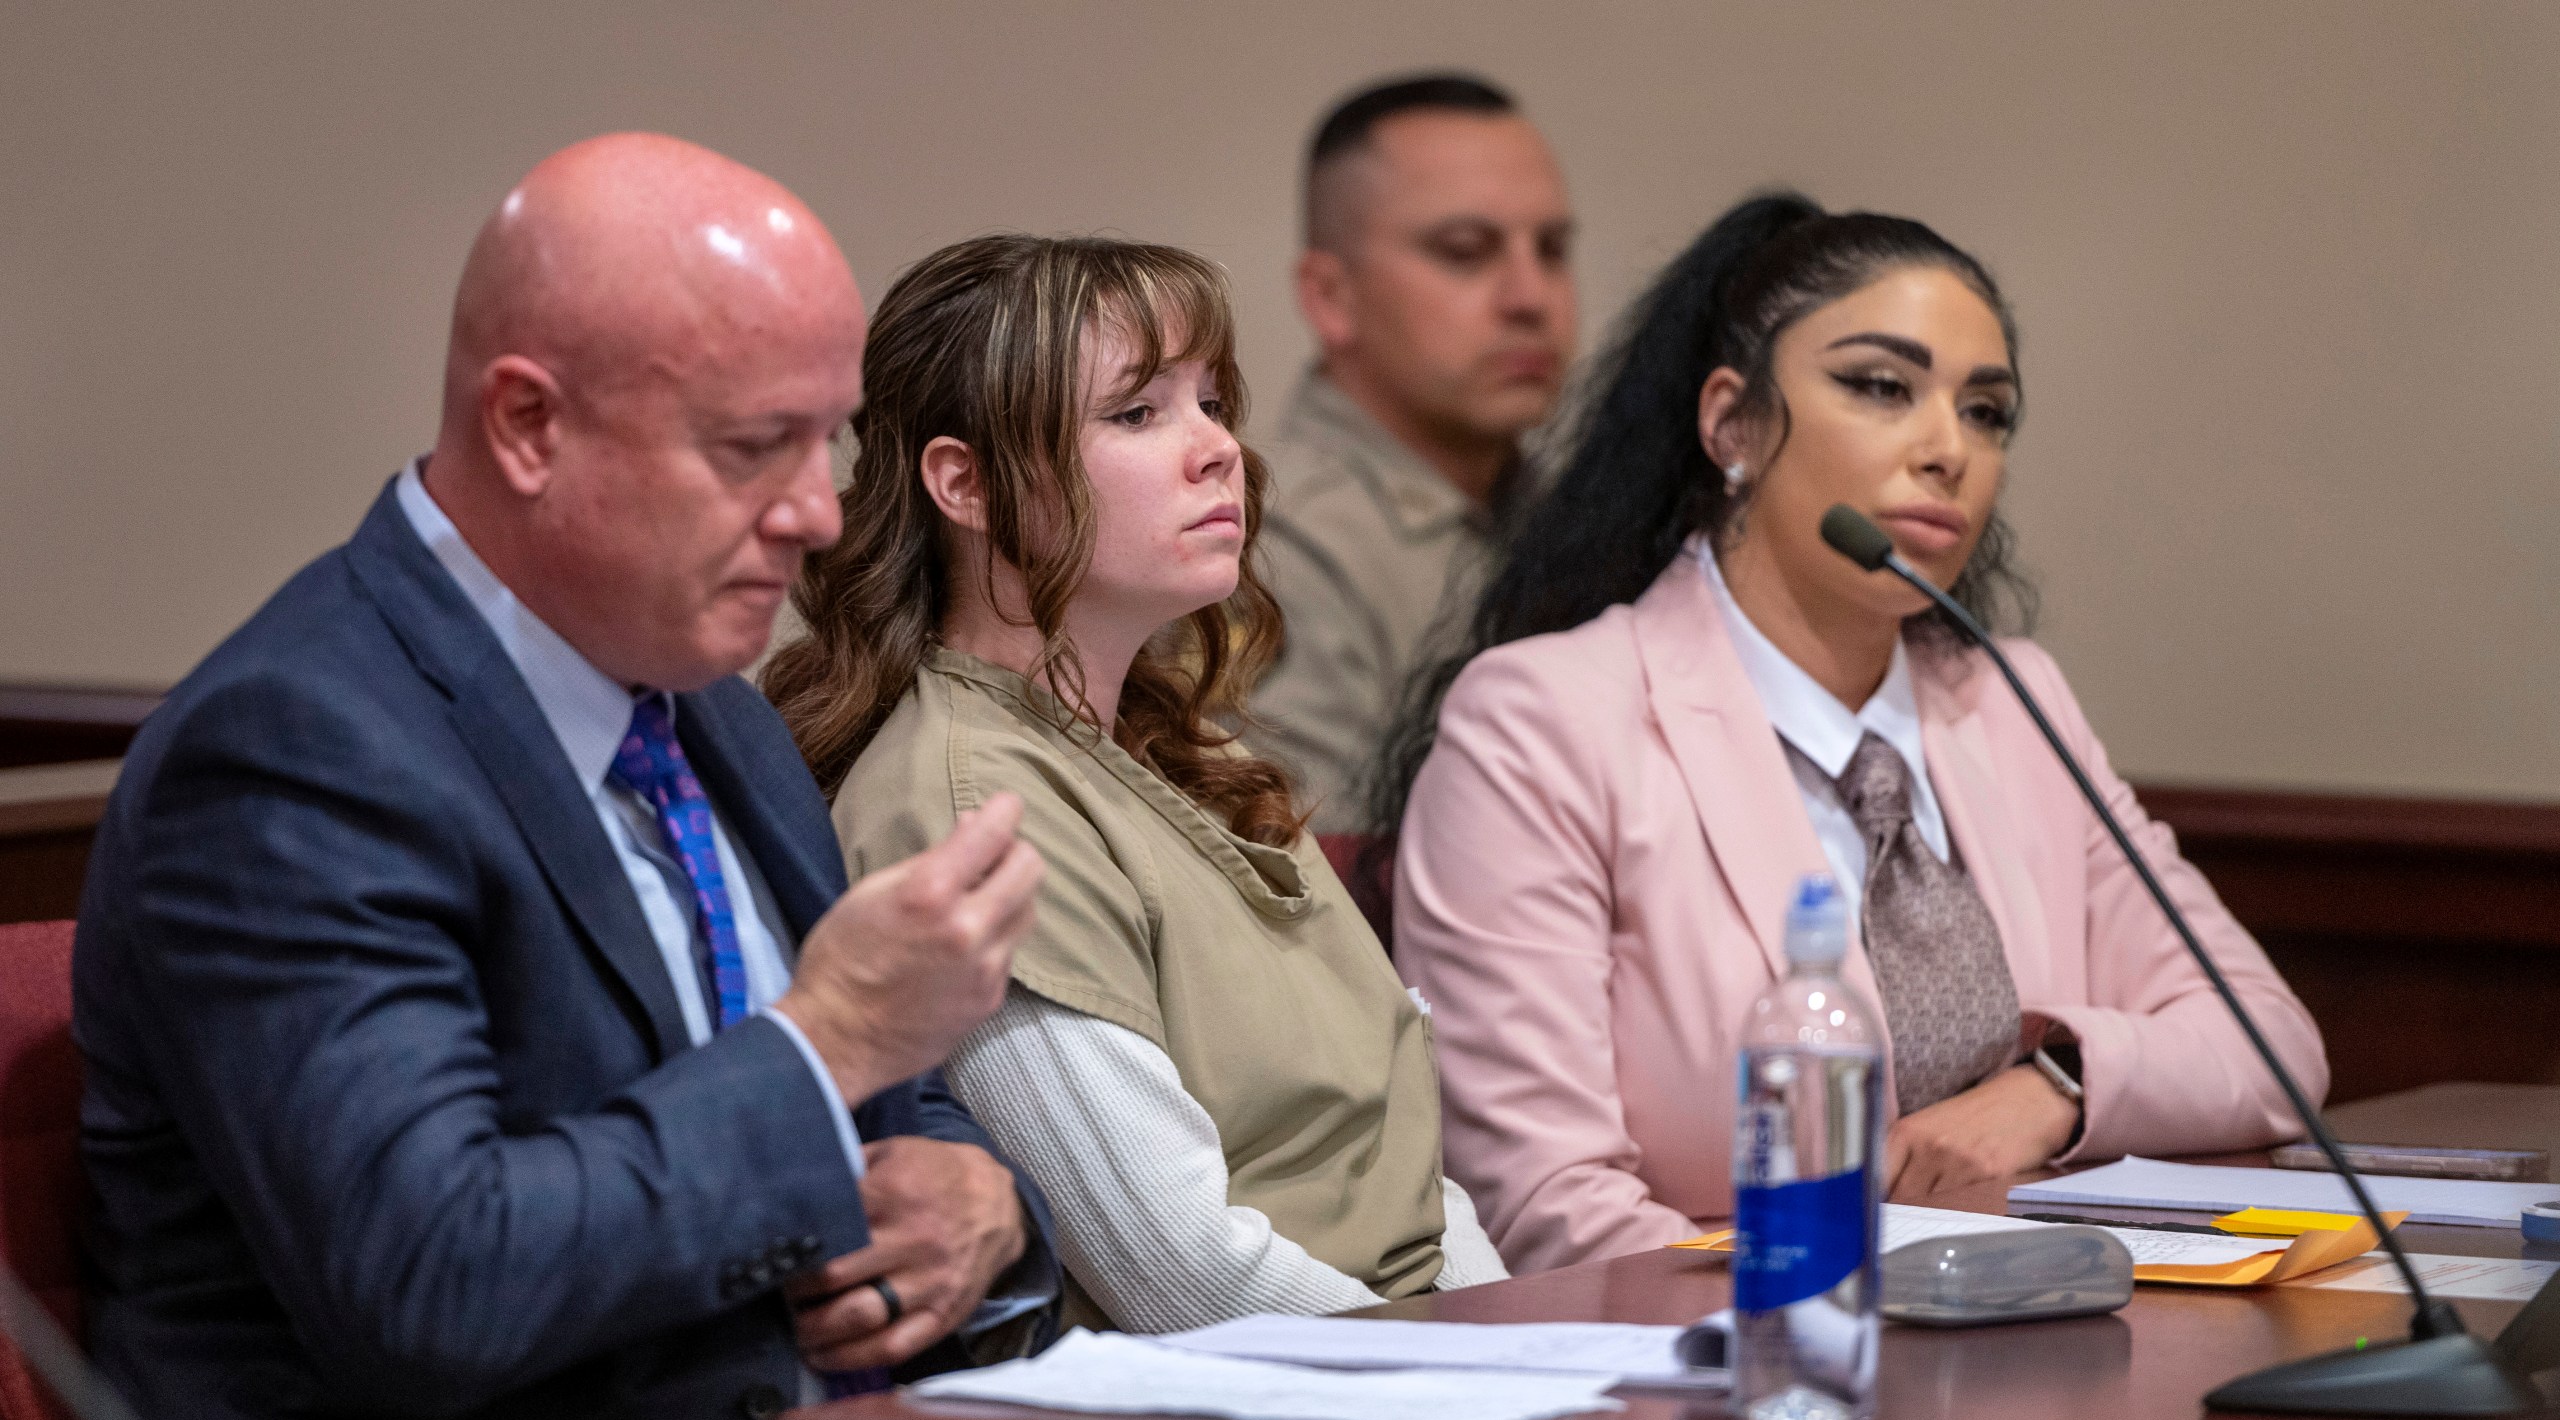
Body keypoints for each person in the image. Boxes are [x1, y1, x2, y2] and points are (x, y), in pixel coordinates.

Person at [72, 134, 1062, 1420]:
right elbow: (433, 1283)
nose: (820, 513)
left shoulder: (704, 700)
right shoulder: (292, 750)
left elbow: (886, 1103)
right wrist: (832, 1039)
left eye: (828, 439)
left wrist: (982, 1207)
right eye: (756, 445)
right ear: (529, 424)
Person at [1376, 193, 2329, 1272]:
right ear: (1731, 422)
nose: (1946, 450)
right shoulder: (1544, 720)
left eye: (1986, 412)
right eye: (1880, 388)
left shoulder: (2013, 702)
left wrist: (2053, 1089)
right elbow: (1541, 1199)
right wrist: (1839, 1333)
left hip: (2033, 1335)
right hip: (1723, 1372)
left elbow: (2268, 1041)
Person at [763, 233, 1509, 1334]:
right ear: (964, 484)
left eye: (1212, 400)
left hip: (1418, 1364)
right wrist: (1487, 1380)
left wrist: (1521, 1342)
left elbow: (1406, 1183)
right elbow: (1181, 1279)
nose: (1217, 449)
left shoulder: (1198, 758)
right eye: (1138, 413)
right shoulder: (968, 805)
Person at [1250, 73, 1577, 829]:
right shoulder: (1270, 546)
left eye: (1553, 249)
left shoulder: (1568, 510)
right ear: (1332, 298)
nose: (1531, 296)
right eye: (1466, 252)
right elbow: (1294, 890)